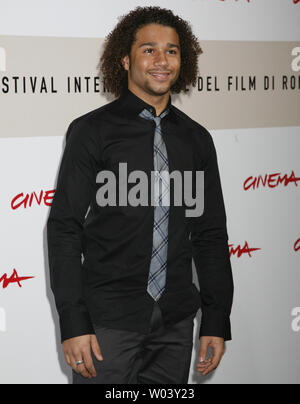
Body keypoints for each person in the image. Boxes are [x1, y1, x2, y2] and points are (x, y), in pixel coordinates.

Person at [47, 6, 234, 384]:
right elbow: (65, 228)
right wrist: (73, 321)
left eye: (172, 50)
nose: (161, 60)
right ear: (124, 59)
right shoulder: (91, 132)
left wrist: (216, 317)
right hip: (107, 324)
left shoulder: (197, 139)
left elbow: (210, 234)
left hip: (176, 324)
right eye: (149, 50)